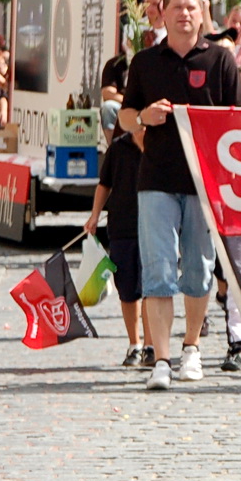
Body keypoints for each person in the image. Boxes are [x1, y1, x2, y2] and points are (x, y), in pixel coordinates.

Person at [119, 0, 241, 390]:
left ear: (201, 14)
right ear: (162, 13)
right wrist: (143, 118)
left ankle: (191, 348)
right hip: (155, 179)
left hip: (204, 183)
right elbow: (123, 117)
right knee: (156, 271)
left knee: (198, 269)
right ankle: (161, 358)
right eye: (177, 8)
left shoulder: (221, 60)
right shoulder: (145, 61)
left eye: (192, 8)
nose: (185, 14)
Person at [85, 126, 154, 369]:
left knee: (150, 288)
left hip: (155, 229)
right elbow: (104, 184)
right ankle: (134, 344)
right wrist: (94, 215)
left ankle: (150, 345)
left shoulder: (161, 145)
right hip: (122, 227)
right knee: (126, 289)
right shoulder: (119, 147)